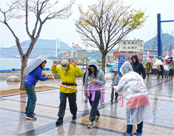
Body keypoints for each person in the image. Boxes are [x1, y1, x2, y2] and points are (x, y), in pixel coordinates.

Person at [114, 61, 153, 136]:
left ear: (124, 70)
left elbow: (119, 89)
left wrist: (115, 87)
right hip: (144, 96)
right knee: (140, 115)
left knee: (130, 115)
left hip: (133, 97)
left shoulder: (125, 77)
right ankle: (139, 132)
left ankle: (128, 133)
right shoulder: (137, 74)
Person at [51, 59, 82, 125]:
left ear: (68, 65)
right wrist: (54, 66)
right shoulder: (60, 68)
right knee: (62, 103)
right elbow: (54, 72)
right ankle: (60, 117)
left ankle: (74, 114)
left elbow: (79, 73)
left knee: (72, 103)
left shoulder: (73, 68)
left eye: (66, 67)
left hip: (72, 89)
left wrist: (75, 66)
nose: (64, 68)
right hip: (63, 89)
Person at [83, 59, 106, 129]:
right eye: (91, 68)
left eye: (93, 68)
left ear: (96, 67)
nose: (92, 69)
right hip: (90, 91)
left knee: (93, 106)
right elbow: (85, 82)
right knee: (92, 104)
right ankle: (97, 114)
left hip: (97, 92)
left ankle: (91, 121)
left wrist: (96, 81)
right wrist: (85, 91)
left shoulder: (100, 72)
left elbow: (104, 82)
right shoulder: (88, 72)